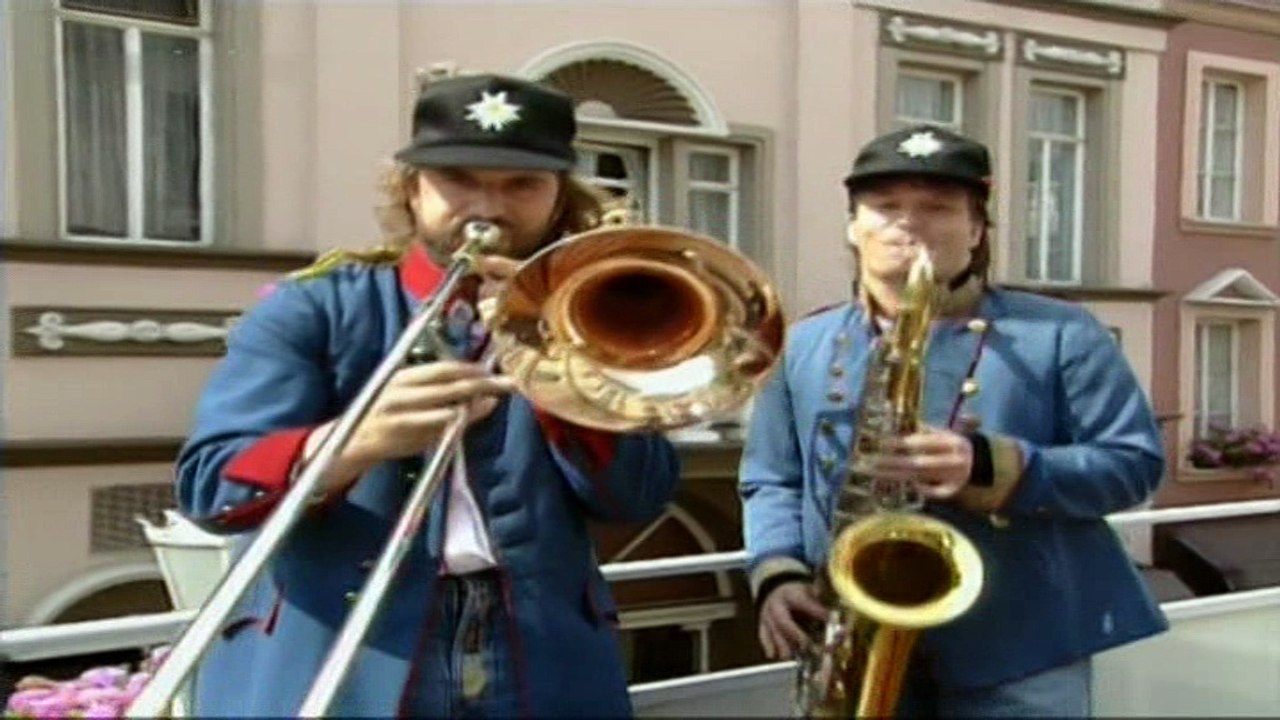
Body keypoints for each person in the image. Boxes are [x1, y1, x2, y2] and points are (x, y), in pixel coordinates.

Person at [173, 73, 682, 718]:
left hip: (539, 648)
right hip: (342, 646)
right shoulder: (316, 306)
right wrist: (353, 443)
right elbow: (211, 486)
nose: (490, 209)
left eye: (521, 185)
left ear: (558, 200)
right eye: (460, 180)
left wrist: (564, 378)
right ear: (412, 191)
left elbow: (640, 494)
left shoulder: (592, 320)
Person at [739, 124, 1167, 717]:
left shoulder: (1063, 332)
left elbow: (1134, 465)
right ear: (853, 227)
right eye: (885, 207)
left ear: (975, 229)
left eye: (938, 207)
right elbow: (771, 479)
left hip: (1019, 640)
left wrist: (992, 466)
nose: (909, 223)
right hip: (851, 636)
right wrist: (776, 573)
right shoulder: (805, 343)